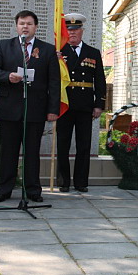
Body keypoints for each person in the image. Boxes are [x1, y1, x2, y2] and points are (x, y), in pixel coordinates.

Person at [0, 10, 60, 203]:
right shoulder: (5, 46)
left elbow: (54, 82)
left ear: (35, 27)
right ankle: (4, 190)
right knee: (8, 152)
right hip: (9, 109)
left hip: (35, 109)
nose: (25, 27)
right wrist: (7, 77)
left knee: (32, 153)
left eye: (29, 23)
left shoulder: (47, 50)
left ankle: (33, 190)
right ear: (16, 26)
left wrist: (53, 110)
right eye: (21, 23)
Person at [56, 13, 106, 193]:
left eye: (76, 30)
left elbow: (99, 80)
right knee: (62, 144)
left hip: (85, 105)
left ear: (82, 31)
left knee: (84, 145)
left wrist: (99, 104)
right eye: (69, 30)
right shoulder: (59, 52)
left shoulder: (93, 53)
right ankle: (63, 181)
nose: (72, 33)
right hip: (65, 104)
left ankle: (81, 182)